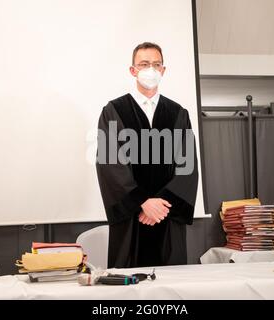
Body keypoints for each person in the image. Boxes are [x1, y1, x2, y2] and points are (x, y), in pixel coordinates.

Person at [96, 42, 198, 268]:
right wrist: (141, 201)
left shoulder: (178, 113)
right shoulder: (113, 111)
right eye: (144, 64)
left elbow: (188, 166)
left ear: (163, 70)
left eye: (156, 64)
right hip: (131, 221)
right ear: (133, 70)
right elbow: (109, 163)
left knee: (172, 289)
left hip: (167, 218)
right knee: (129, 290)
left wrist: (160, 207)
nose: (150, 69)